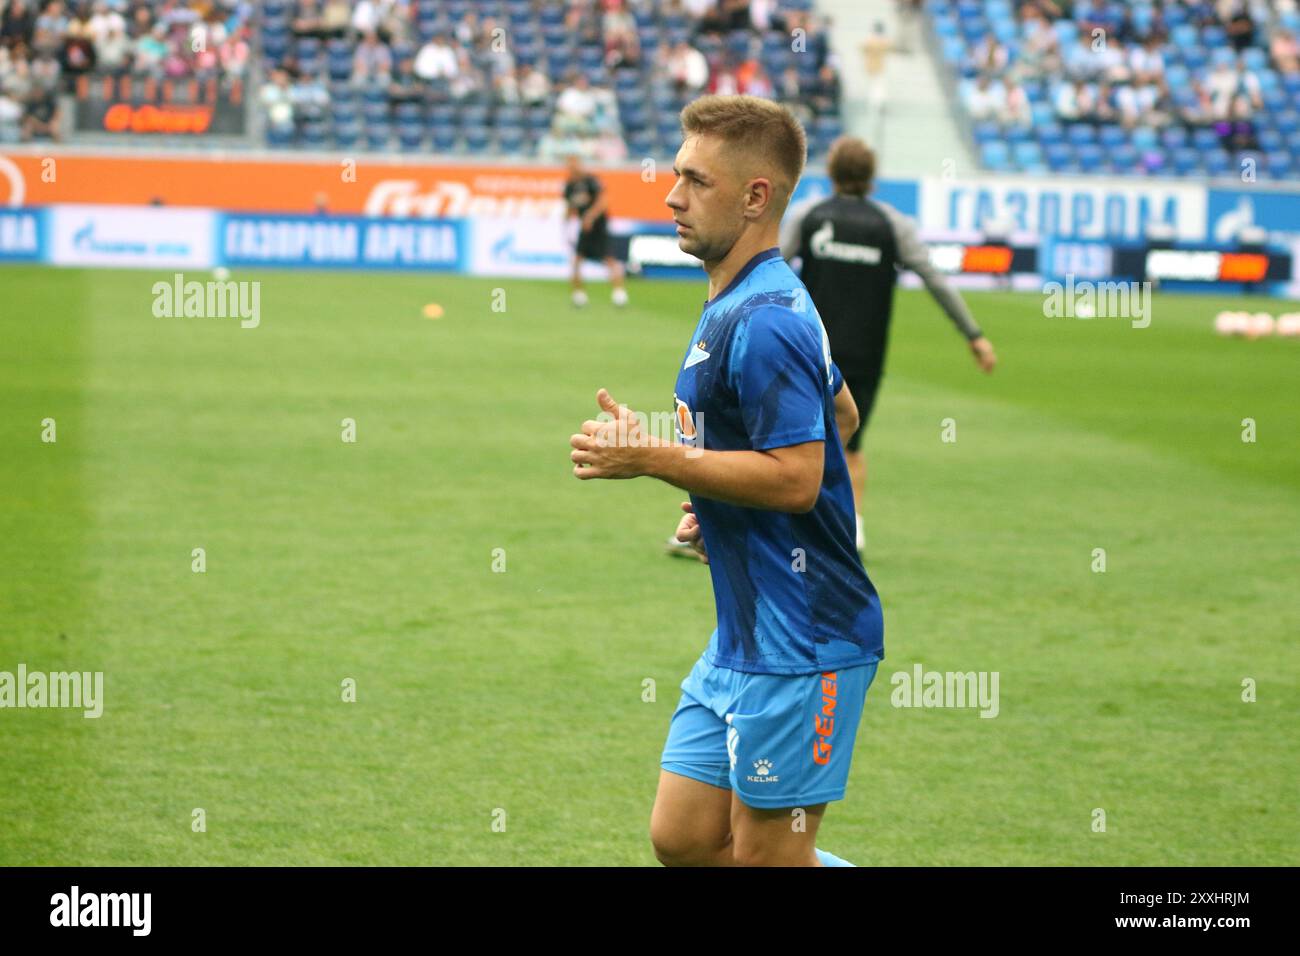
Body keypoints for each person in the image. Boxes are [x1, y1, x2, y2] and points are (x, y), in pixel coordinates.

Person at [569, 96, 881, 866]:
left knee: (766, 859)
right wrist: (719, 505)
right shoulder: (736, 298)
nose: (671, 196)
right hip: (743, 638)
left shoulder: (767, 316)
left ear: (755, 197)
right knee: (682, 839)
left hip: (807, 639)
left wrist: (656, 458)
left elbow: (801, 478)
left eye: (694, 181)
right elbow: (837, 413)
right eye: (677, 175)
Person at [779, 136, 996, 552]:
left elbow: (770, 263)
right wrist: (974, 335)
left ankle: (753, 526)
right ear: (872, 179)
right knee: (851, 443)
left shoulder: (809, 215)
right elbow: (935, 281)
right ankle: (853, 529)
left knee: (790, 438)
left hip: (808, 349)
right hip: (865, 353)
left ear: (832, 173)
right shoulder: (893, 225)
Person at [562, 152, 628, 308]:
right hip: (584, 228)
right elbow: (569, 207)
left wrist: (590, 216)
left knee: (609, 259)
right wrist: (566, 225)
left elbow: (603, 201)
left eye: (574, 164)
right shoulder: (569, 186)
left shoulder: (591, 181)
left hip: (598, 227)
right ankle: (579, 295)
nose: (572, 168)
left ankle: (619, 293)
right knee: (577, 260)